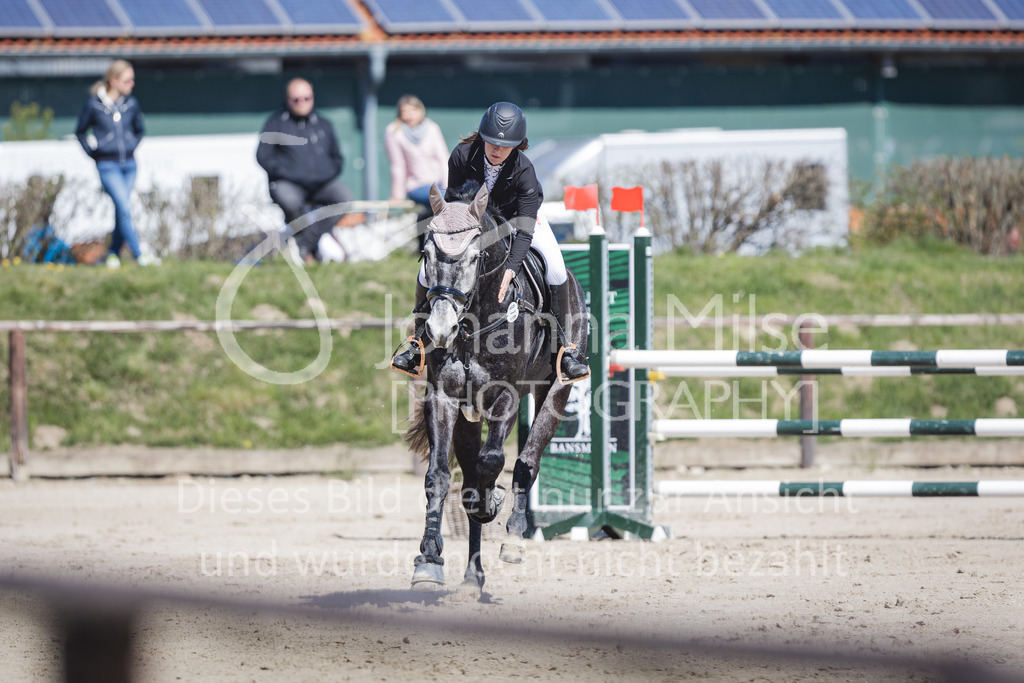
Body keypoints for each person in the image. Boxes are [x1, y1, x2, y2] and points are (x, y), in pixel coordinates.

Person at [391, 101, 590, 383]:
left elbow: (524, 229)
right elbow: (454, 207)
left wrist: (510, 267)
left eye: (505, 145)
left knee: (556, 268)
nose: (497, 149)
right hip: (474, 222)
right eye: (491, 142)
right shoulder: (461, 155)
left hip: (517, 219)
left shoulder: (524, 171)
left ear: (517, 145)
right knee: (425, 269)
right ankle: (418, 342)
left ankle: (564, 350)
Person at [256, 78, 354, 264]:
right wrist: (287, 172)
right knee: (290, 201)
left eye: (306, 98)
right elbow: (263, 156)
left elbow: (337, 158)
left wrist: (325, 173)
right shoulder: (275, 123)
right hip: (288, 183)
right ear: (288, 100)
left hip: (321, 183)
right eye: (297, 99)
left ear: (312, 98)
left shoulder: (323, 124)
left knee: (344, 197)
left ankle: (305, 243)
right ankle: (308, 246)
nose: (302, 103)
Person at [74, 59, 157, 268]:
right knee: (124, 207)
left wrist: (131, 145)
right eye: (127, 80)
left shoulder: (131, 104)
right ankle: (140, 255)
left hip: (129, 164)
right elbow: (80, 132)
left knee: (122, 209)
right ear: (114, 80)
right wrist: (95, 154)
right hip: (107, 166)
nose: (132, 84)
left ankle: (113, 254)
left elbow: (140, 130)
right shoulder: (94, 105)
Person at [384, 94, 449, 207]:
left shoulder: (432, 128)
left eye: (414, 110)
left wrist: (448, 186)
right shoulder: (394, 132)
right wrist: (397, 196)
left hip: (438, 184)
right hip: (416, 186)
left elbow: (443, 158)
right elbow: (398, 165)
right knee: (441, 199)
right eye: (405, 111)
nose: (410, 115)